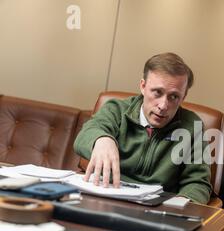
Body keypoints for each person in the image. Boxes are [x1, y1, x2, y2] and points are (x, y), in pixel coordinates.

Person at [74, 53, 212, 204]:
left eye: (173, 97)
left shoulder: (193, 126)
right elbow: (86, 135)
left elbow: (198, 183)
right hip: (106, 198)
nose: (163, 106)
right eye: (157, 92)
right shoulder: (117, 110)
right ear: (143, 86)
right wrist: (101, 139)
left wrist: (182, 204)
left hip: (158, 209)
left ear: (183, 97)